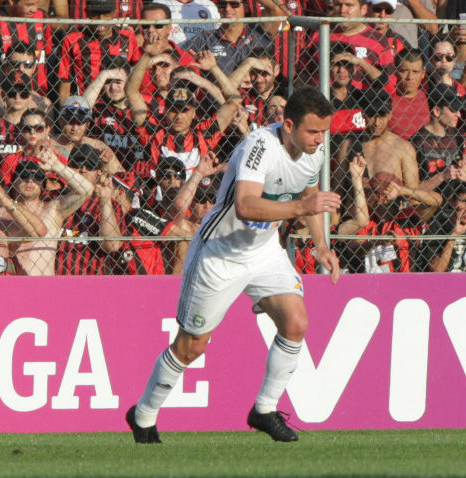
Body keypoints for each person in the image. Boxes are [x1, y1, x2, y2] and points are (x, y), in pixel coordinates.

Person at [126, 88, 342, 445]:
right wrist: (303, 210)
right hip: (219, 254)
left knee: (296, 322)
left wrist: (320, 245)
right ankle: (144, 414)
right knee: (191, 347)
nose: (320, 139)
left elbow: (309, 196)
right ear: (288, 125)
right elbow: (245, 206)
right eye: (313, 131)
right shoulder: (259, 148)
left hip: (264, 252)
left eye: (324, 132)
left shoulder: (312, 153)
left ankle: (264, 410)